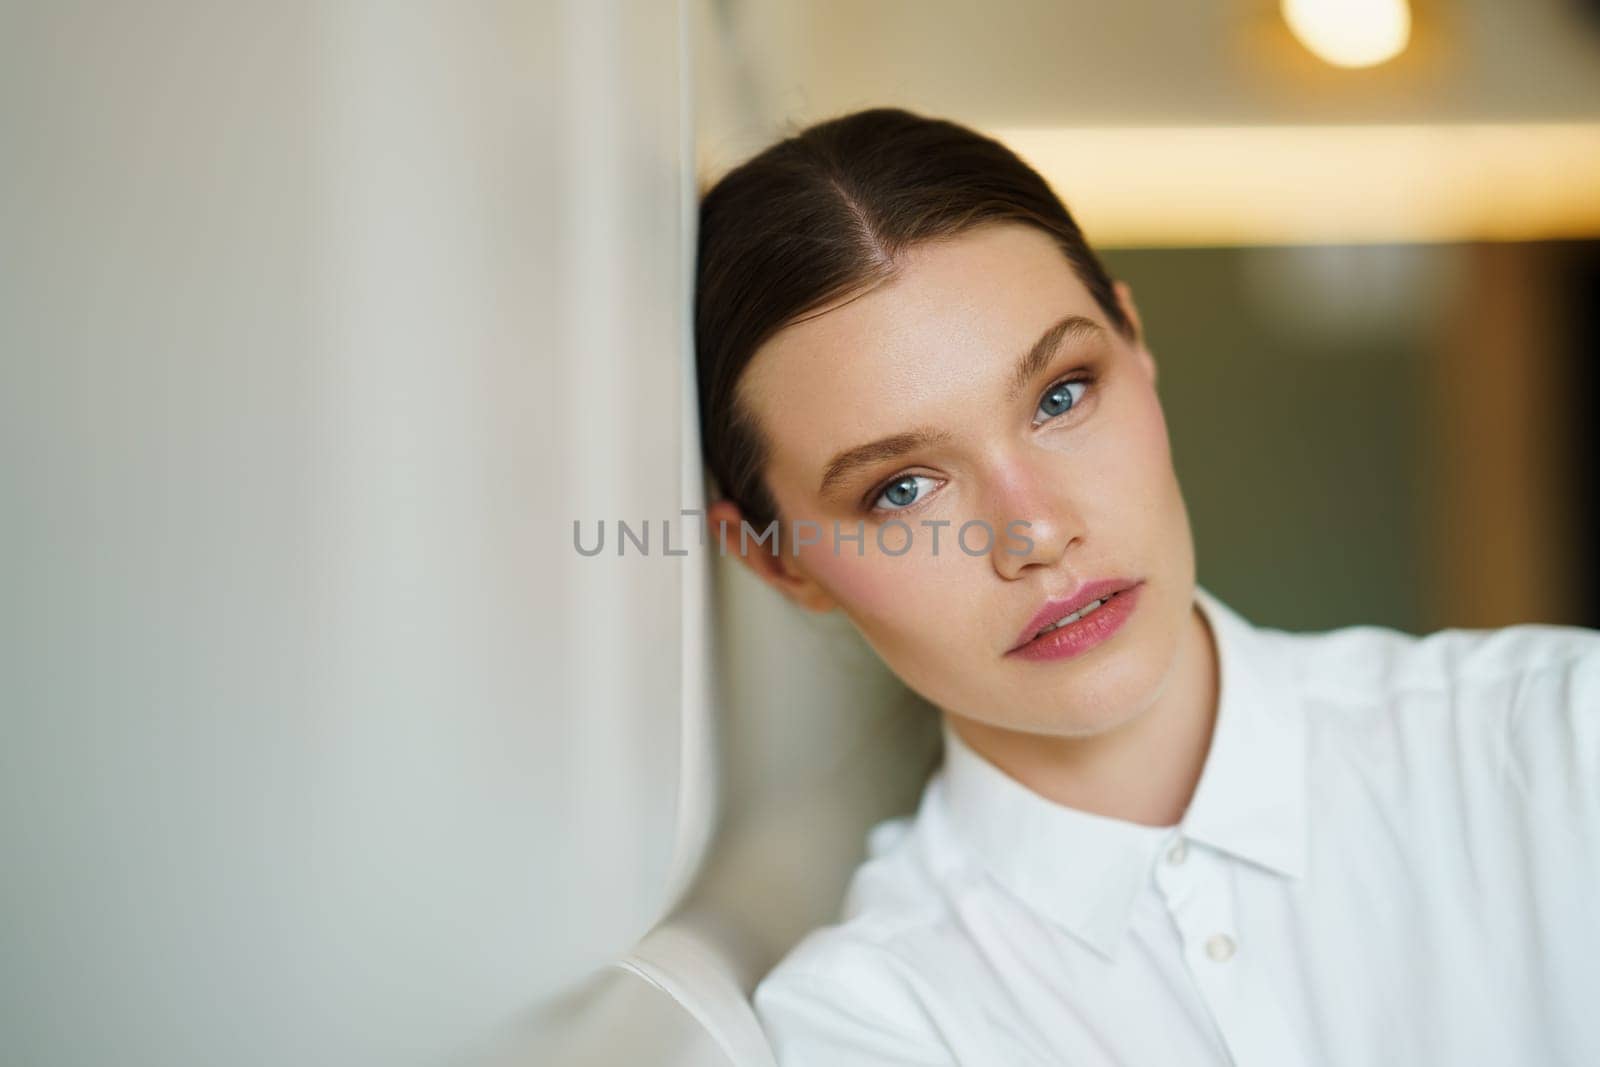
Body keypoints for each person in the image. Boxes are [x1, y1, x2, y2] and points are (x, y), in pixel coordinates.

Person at [693, 107, 1600, 1066]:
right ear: (777, 558)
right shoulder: (873, 1025)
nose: (1036, 530)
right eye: (902, 489)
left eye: (1060, 395)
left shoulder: (1560, 743)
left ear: (1136, 343)